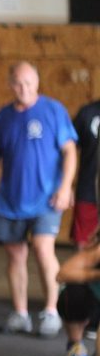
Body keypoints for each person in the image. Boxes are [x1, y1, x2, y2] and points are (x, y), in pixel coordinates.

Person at [0, 61, 78, 337]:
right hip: (10, 200)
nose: (24, 88)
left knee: (42, 248)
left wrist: (65, 188)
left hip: (46, 199)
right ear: (10, 84)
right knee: (15, 255)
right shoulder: (3, 117)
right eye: (18, 83)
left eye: (29, 82)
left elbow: (70, 152)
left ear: (37, 82)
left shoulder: (53, 110)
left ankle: (51, 311)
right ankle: (20, 313)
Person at [56, 234, 100, 356]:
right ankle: (75, 342)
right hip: (91, 307)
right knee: (72, 293)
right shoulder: (97, 252)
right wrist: (95, 274)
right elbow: (61, 274)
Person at [71, 99, 100, 250]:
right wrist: (66, 184)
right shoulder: (87, 112)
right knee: (84, 243)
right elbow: (68, 149)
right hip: (88, 191)